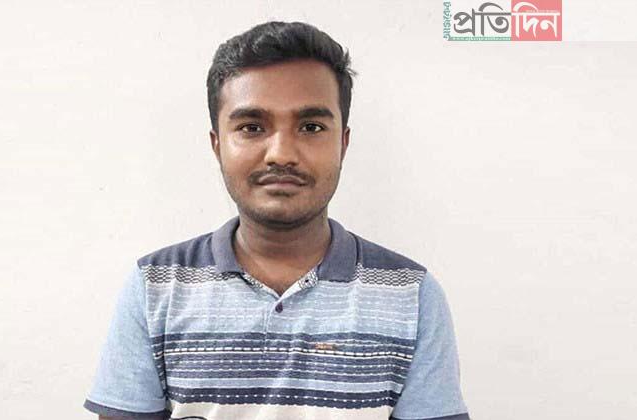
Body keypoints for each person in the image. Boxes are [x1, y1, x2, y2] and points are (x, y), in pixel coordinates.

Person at [83, 21, 471, 420]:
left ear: (343, 143)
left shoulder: (412, 295)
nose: (281, 154)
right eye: (252, 128)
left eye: (311, 127)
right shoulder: (155, 288)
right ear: (217, 145)